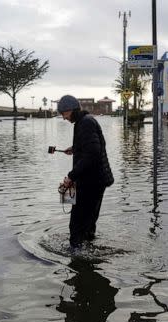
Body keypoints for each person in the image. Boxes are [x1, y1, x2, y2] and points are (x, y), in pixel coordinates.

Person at [57, 95, 114, 250]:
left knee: (77, 223)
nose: (64, 118)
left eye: (64, 113)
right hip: (97, 180)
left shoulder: (85, 123)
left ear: (71, 110)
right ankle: (89, 252)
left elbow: (93, 154)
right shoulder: (85, 121)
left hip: (91, 181)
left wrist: (71, 176)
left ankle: (76, 255)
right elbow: (93, 146)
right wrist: (76, 148)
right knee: (88, 221)